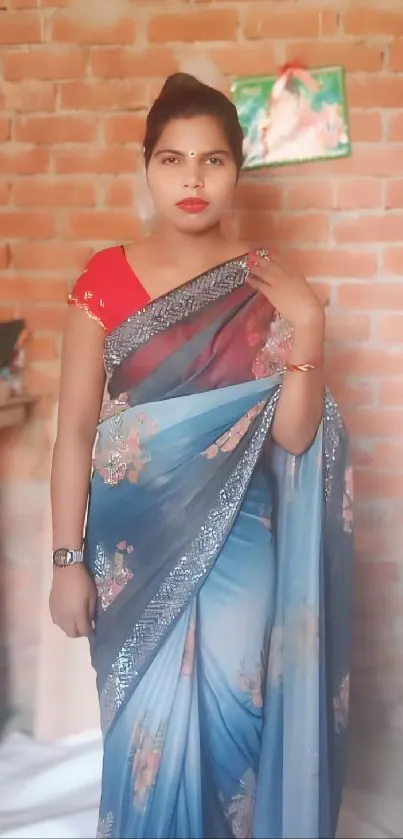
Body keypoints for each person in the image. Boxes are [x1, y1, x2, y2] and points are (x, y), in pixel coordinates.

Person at [49, 73, 353, 839]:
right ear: (146, 165)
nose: (191, 179)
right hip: (129, 548)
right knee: (145, 733)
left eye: (212, 161)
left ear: (238, 169)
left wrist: (308, 325)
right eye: (172, 159)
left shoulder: (264, 284)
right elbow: (75, 429)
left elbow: (291, 436)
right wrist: (63, 560)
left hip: (239, 543)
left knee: (232, 722)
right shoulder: (103, 280)